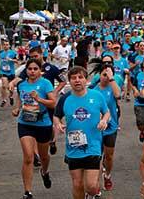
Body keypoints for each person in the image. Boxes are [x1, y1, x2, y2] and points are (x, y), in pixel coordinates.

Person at [54, 66, 110, 199]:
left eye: (80, 77)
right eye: (73, 78)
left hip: (93, 145)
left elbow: (106, 112)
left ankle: (94, 187)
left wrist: (104, 121)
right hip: (73, 147)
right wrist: (58, 124)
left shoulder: (96, 96)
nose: (77, 80)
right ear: (69, 81)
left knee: (90, 187)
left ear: (87, 80)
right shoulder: (65, 99)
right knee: (77, 184)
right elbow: (56, 115)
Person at [12, 58, 56, 199]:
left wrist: (39, 100)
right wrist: (17, 109)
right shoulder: (21, 85)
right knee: (28, 157)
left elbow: (53, 103)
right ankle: (27, 192)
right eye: (29, 69)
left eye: (35, 69)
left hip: (43, 124)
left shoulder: (45, 84)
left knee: (44, 156)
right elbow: (20, 99)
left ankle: (45, 171)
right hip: (25, 123)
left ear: (40, 71)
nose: (32, 71)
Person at [93, 58, 121, 191]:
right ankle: (96, 183)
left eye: (108, 75)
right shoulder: (94, 90)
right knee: (98, 156)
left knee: (108, 156)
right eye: (104, 74)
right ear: (99, 75)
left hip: (111, 127)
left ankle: (108, 175)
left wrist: (112, 78)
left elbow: (118, 95)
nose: (106, 77)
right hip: (97, 128)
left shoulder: (113, 86)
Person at [0, 40, 19, 107]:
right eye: (4, 44)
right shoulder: (0, 53)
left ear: (9, 45)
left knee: (11, 87)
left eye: (7, 44)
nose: (5, 46)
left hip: (11, 72)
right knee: (4, 86)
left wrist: (10, 59)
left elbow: (17, 61)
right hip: (3, 71)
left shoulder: (13, 53)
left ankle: (11, 97)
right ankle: (4, 100)